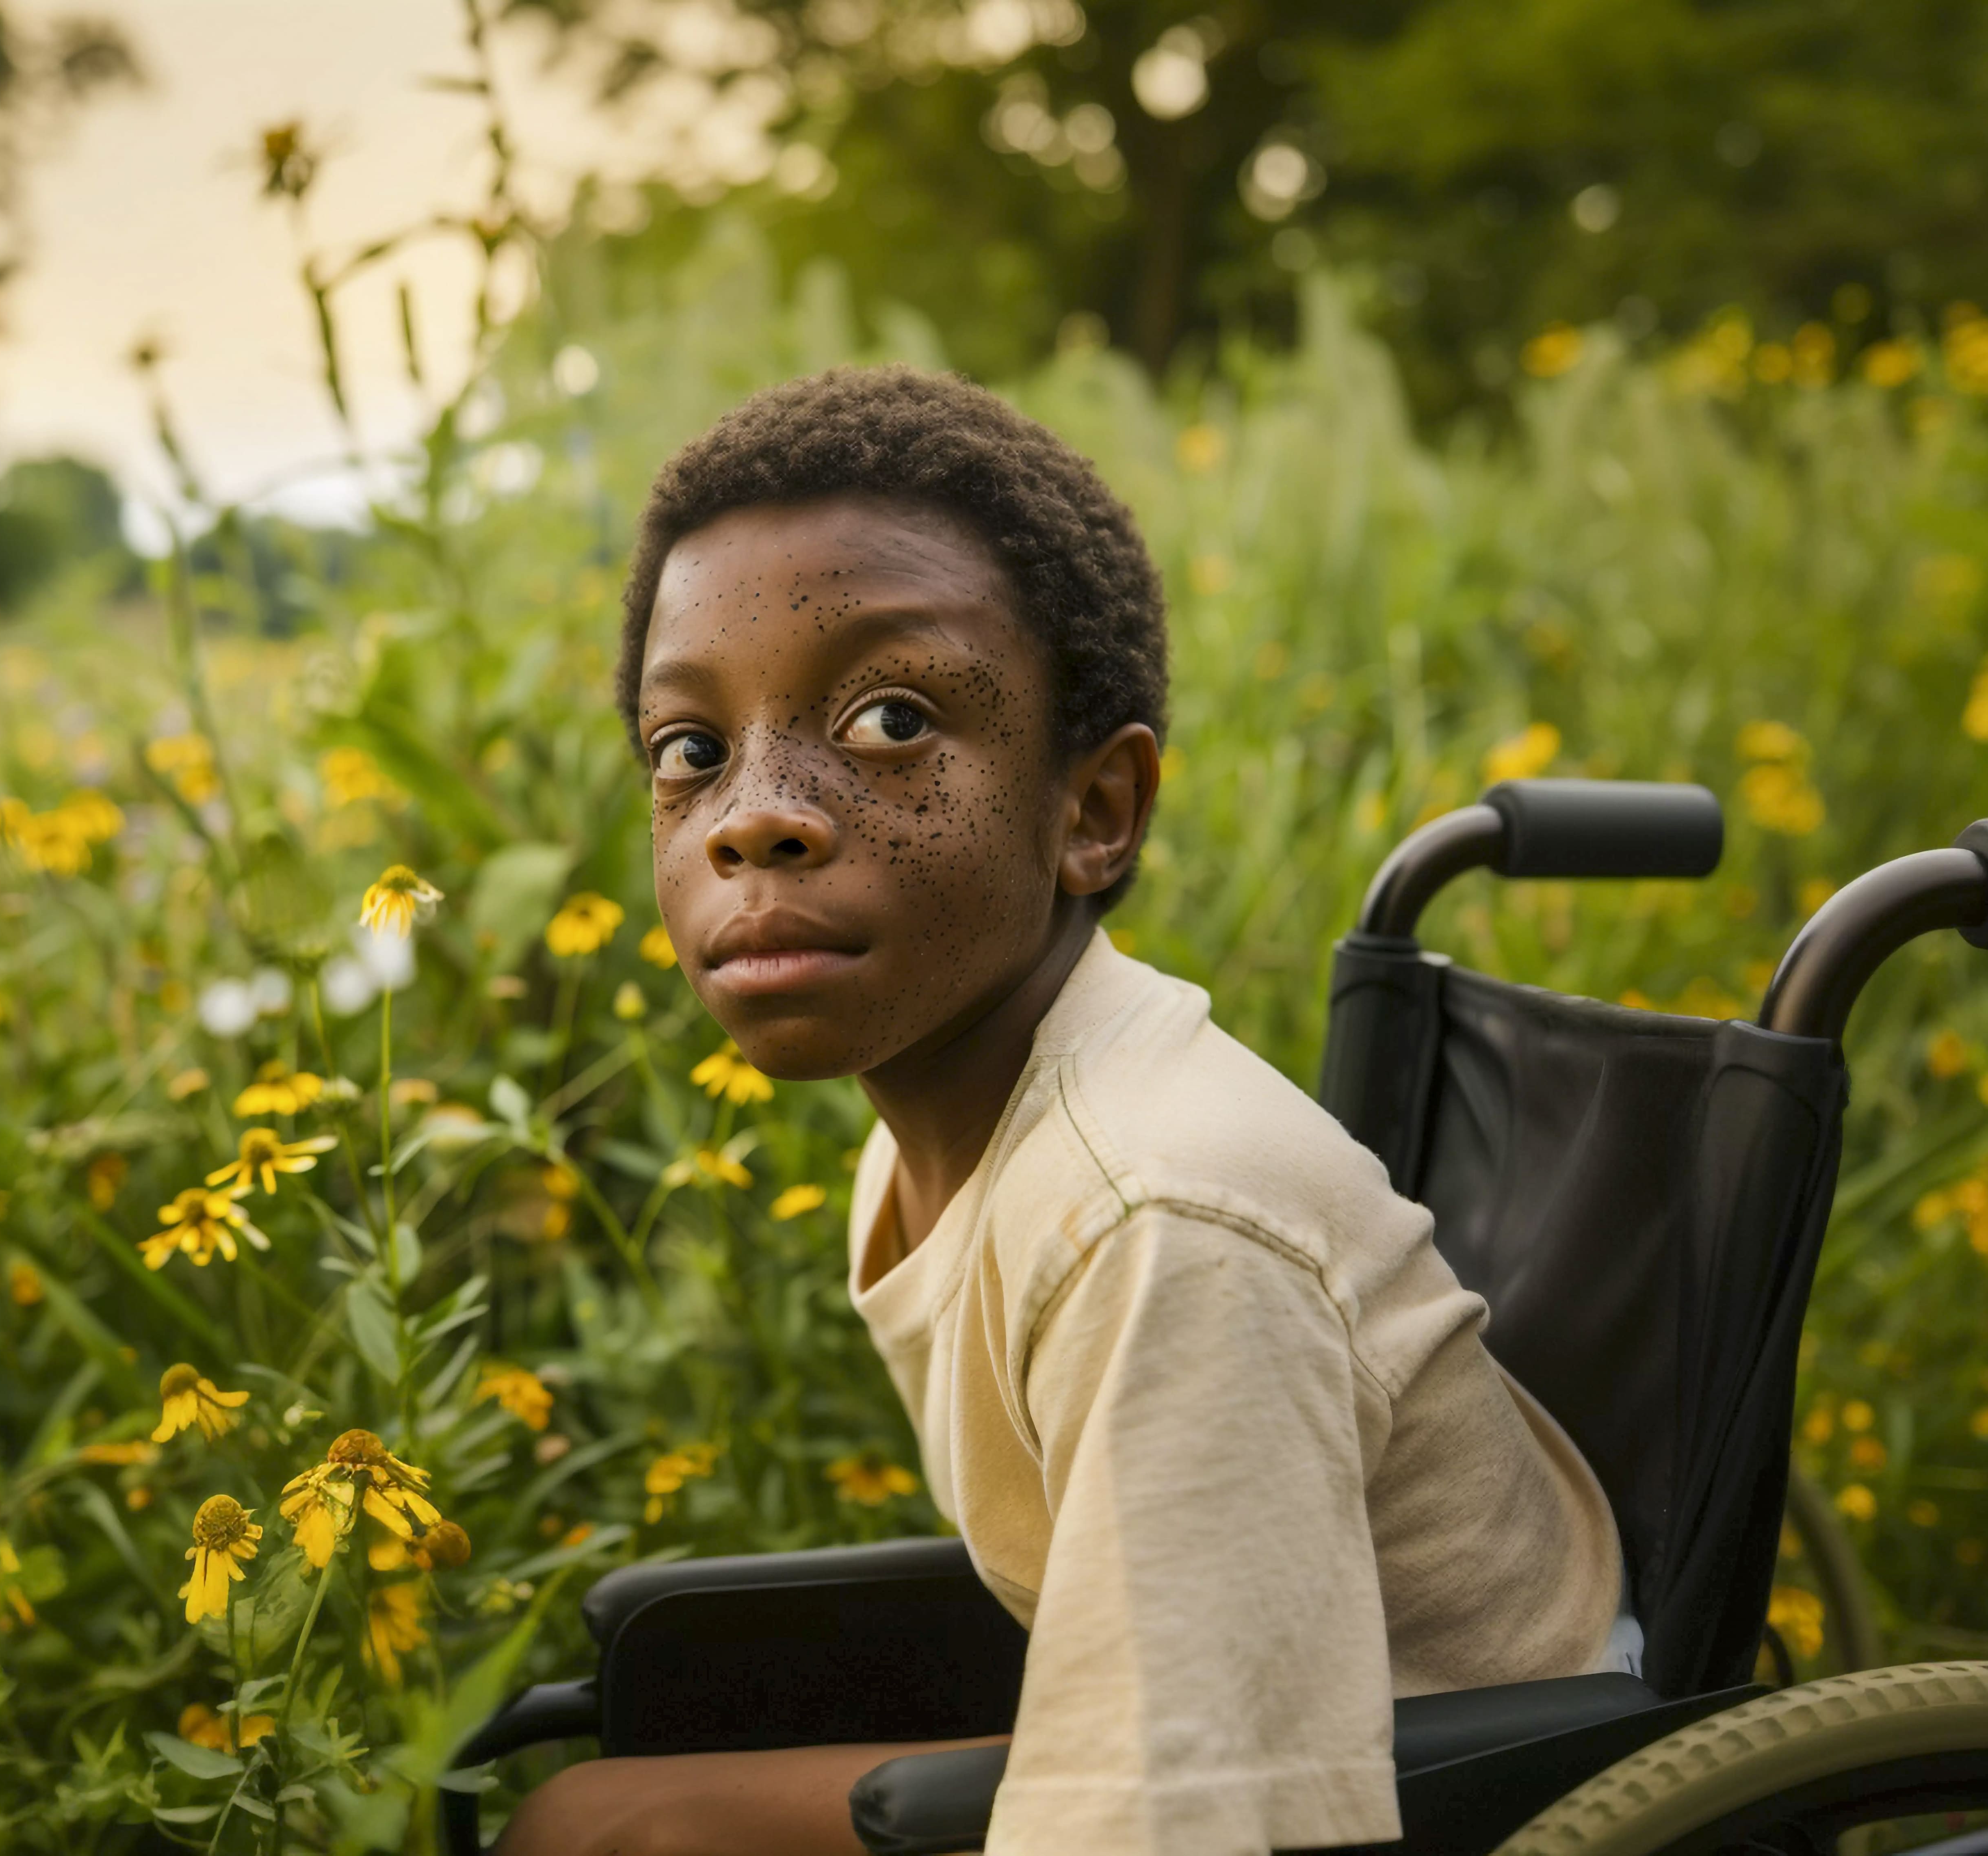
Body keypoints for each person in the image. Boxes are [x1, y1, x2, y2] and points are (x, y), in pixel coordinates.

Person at [492, 367, 1628, 1856]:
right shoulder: (957, 1133)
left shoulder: (1156, 1217)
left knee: (600, 1831)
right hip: (1239, 1715)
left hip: (1446, 1802)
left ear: (1092, 810)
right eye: (687, 750)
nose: (749, 812)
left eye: (891, 718)